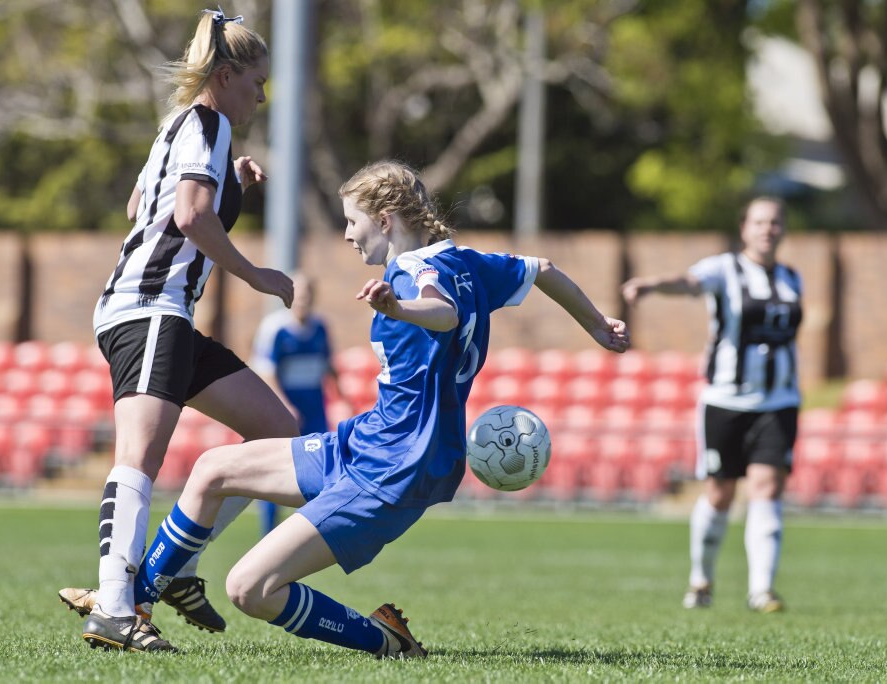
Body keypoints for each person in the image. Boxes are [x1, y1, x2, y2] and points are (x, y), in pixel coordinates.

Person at [122, 159, 630, 657]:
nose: (346, 234)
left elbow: (444, 313)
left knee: (249, 588)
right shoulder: (470, 261)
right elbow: (542, 269)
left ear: (385, 221)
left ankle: (386, 640)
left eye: (352, 221)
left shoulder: (411, 273)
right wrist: (596, 324)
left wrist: (399, 307)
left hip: (395, 469)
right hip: (371, 441)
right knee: (213, 469)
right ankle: (128, 605)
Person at [57, 8, 299, 652]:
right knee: (138, 457)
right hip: (149, 306)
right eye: (256, 83)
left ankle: (175, 567)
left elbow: (143, 206)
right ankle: (114, 606)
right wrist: (255, 275)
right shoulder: (209, 122)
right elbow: (190, 217)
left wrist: (228, 182)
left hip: (163, 313)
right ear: (225, 75)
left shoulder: (183, 125)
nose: (262, 95)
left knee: (281, 435)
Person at [621, 196, 802, 614]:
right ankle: (700, 579)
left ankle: (762, 590)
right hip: (725, 399)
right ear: (744, 228)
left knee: (767, 487)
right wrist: (651, 285)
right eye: (759, 222)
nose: (768, 229)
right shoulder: (725, 269)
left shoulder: (794, 278)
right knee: (720, 493)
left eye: (775, 222)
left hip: (779, 401)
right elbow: (688, 283)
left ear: (783, 229)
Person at [250, 273, 344, 537]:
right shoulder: (275, 328)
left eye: (308, 294)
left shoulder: (321, 327)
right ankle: (268, 531)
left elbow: (328, 365)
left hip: (314, 409)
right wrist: (285, 406)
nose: (303, 300)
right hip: (284, 411)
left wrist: (342, 398)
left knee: (320, 469)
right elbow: (266, 372)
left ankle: (309, 532)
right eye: (298, 294)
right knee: (275, 469)